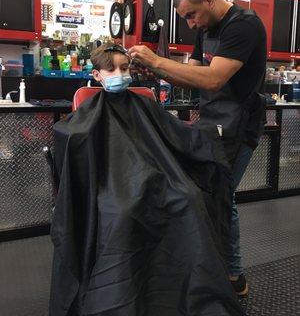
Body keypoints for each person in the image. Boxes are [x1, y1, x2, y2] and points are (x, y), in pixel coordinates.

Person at [50, 42, 244, 316]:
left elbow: (174, 133)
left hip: (157, 173)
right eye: (111, 69)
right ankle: (126, 292)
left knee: (188, 198)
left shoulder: (143, 104)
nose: (119, 73)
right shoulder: (87, 114)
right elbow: (68, 138)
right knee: (123, 211)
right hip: (111, 182)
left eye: (124, 68)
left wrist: (208, 136)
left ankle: (185, 287)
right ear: (96, 75)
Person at [129, 0, 267, 296]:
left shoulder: (243, 25)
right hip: (212, 121)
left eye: (191, 15)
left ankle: (233, 276)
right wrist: (157, 71)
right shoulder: (205, 28)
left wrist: (159, 61)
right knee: (205, 192)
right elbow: (192, 74)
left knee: (221, 195)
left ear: (208, 0)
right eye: (185, 18)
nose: (190, 24)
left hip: (239, 125)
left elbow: (213, 79)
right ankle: (207, 264)